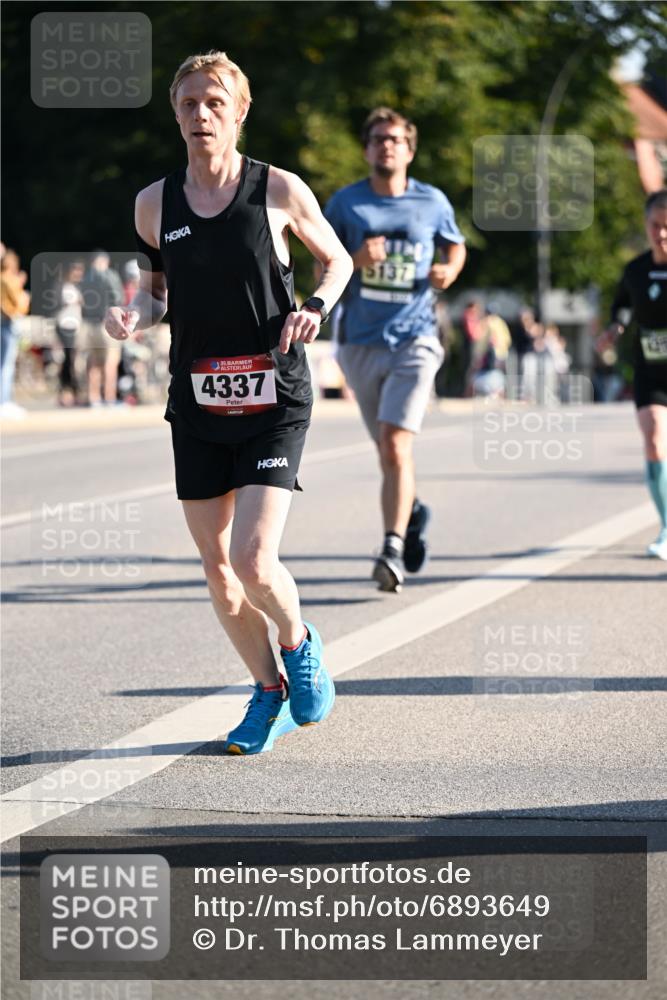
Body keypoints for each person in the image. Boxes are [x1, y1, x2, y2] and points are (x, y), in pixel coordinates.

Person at [104, 51, 353, 753]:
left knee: (252, 560)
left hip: (274, 394)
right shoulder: (153, 204)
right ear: (175, 113)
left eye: (215, 103)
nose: (201, 115)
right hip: (197, 399)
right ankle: (266, 692)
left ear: (240, 112)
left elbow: (337, 260)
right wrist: (132, 316)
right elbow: (160, 293)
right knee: (217, 571)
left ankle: (298, 643)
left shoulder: (277, 188)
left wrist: (313, 306)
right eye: (188, 103)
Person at [325, 107, 466, 592]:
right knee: (388, 453)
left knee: (394, 443)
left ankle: (391, 547)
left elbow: (455, 245)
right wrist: (355, 259)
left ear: (410, 149)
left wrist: (450, 270)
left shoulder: (432, 201)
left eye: (395, 139)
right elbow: (323, 263)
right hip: (360, 343)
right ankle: (414, 510)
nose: (387, 146)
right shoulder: (345, 204)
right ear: (367, 150)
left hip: (415, 338)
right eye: (378, 139)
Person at [601, 189, 667, 560]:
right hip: (651, 370)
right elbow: (623, 304)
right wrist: (615, 328)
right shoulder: (636, 270)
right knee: (655, 439)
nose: (662, 234)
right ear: (646, 224)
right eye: (655, 225)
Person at [81, 250, 124, 406]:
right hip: (106, 323)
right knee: (111, 361)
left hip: (89, 325)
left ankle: (93, 398)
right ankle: (109, 397)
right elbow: (118, 298)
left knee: (93, 362)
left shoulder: (85, 278)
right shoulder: (110, 275)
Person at [0, 247, 30, 419]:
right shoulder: (8, 279)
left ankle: (4, 400)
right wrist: (20, 285)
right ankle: (4, 401)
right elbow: (18, 303)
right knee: (7, 365)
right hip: (9, 322)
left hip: (4, 321)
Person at [53, 259, 84, 406]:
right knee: (68, 359)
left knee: (72, 360)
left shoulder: (77, 288)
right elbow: (55, 304)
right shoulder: (62, 286)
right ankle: (67, 390)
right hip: (64, 325)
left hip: (75, 326)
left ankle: (71, 390)